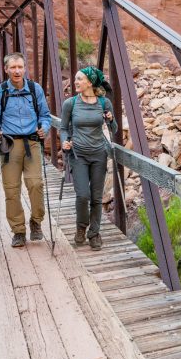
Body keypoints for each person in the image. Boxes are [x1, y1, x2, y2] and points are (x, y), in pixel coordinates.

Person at [0, 52, 51, 248]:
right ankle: (18, 231)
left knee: (36, 184)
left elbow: (46, 116)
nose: (17, 71)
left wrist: (44, 128)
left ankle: (36, 221)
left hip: (32, 142)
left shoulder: (34, 88)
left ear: (24, 68)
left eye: (20, 67)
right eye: (12, 67)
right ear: (6, 70)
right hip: (10, 145)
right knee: (11, 190)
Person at [60, 66, 117, 251]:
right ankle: (81, 227)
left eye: (79, 79)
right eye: (75, 79)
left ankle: (94, 233)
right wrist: (64, 142)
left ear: (90, 82)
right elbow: (63, 128)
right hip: (78, 155)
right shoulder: (70, 104)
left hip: (99, 155)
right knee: (83, 195)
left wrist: (110, 118)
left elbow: (114, 129)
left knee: (96, 198)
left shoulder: (103, 102)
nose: (75, 82)